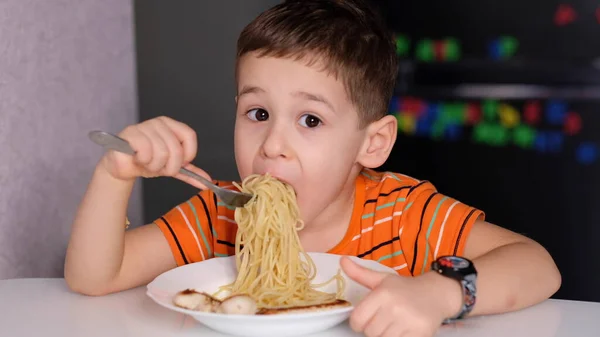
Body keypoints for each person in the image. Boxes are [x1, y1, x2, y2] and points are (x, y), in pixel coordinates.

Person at [64, 1, 561, 336]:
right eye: (257, 114)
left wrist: (440, 293)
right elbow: (94, 278)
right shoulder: (220, 210)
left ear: (373, 143)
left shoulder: (403, 214)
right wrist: (115, 176)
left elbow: (538, 265)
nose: (273, 144)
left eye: (310, 119)